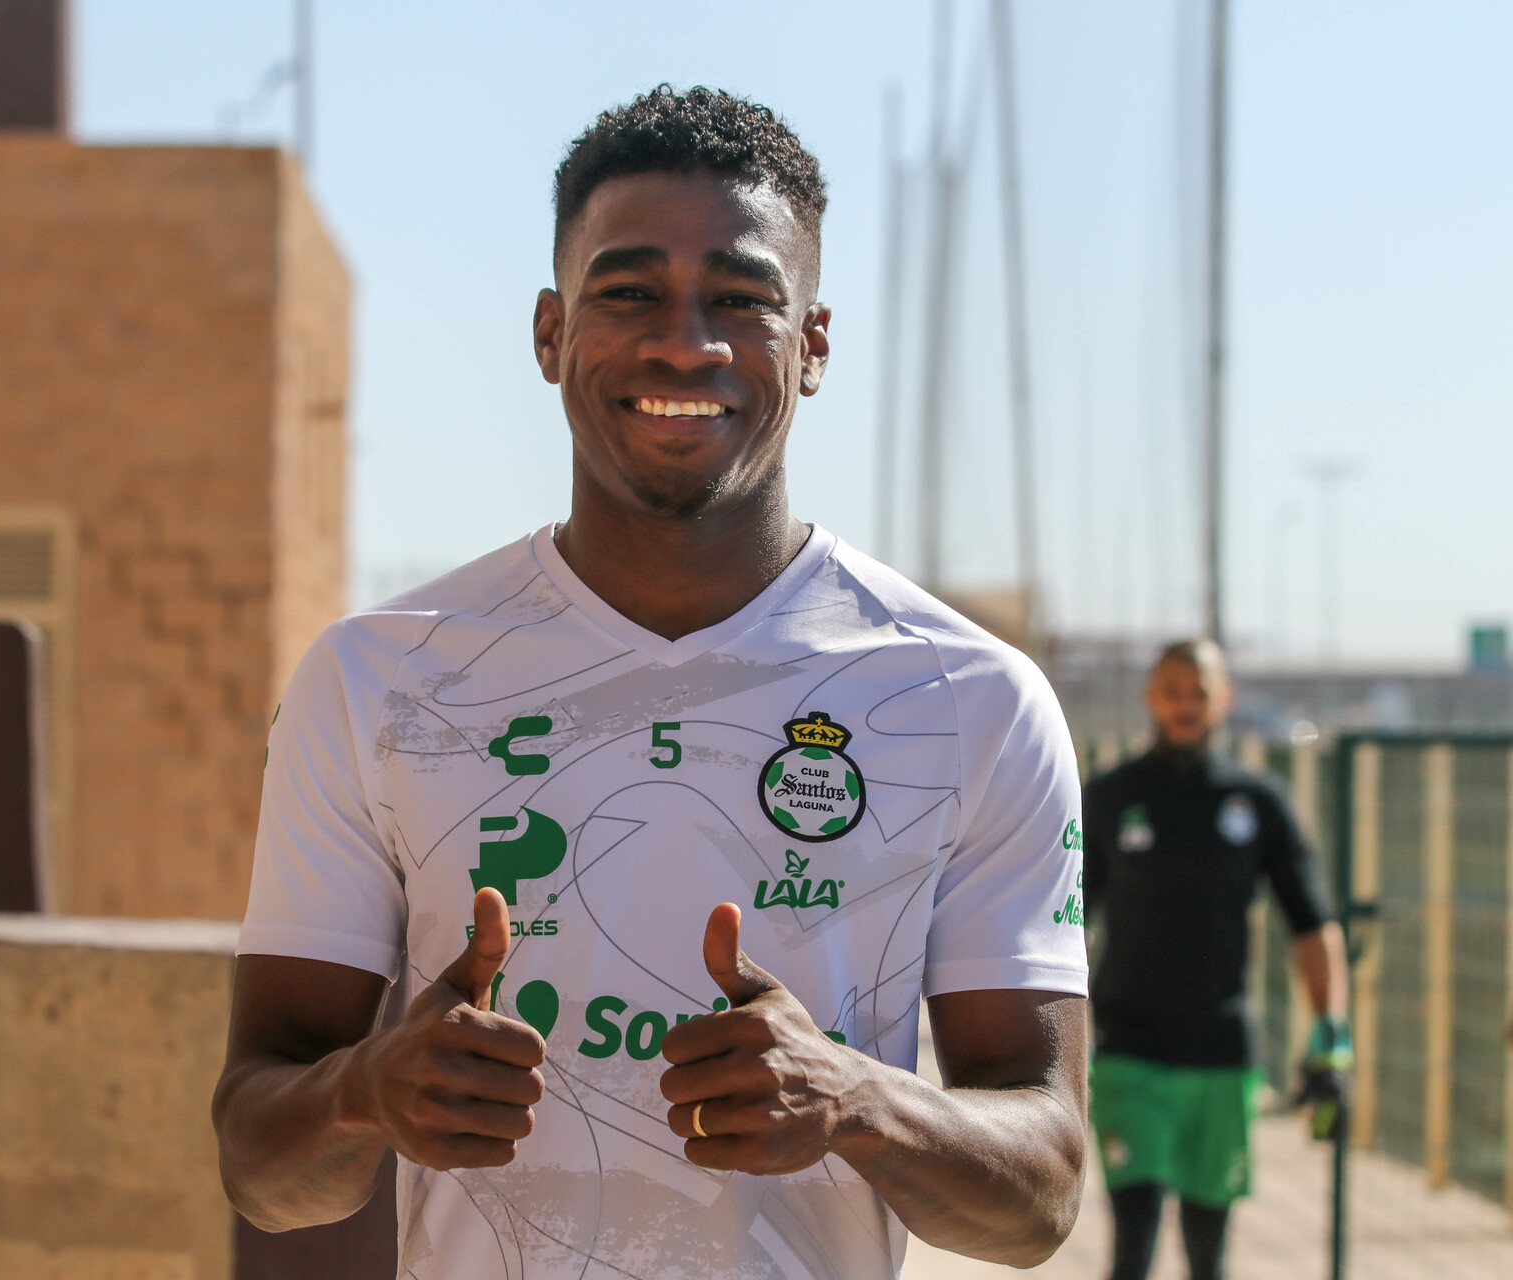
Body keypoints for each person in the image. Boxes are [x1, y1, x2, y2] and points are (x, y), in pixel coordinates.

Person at [213, 85, 1091, 1280]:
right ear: (549, 333)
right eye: (628, 292)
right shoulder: (377, 681)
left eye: (741, 298)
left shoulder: (966, 698)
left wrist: (858, 1101)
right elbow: (261, 1172)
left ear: (814, 345)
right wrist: (365, 1089)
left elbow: (1041, 1198)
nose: (685, 343)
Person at [1082, 639, 1351, 1280]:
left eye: (1199, 692)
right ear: (1151, 697)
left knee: (1209, 1256)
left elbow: (1313, 925)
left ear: (1223, 699)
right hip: (1129, 1050)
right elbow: (1061, 924)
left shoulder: (1258, 801)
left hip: (1222, 1055)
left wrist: (1332, 1042)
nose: (1185, 705)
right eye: (1172, 691)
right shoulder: (1110, 796)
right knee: (1134, 1245)